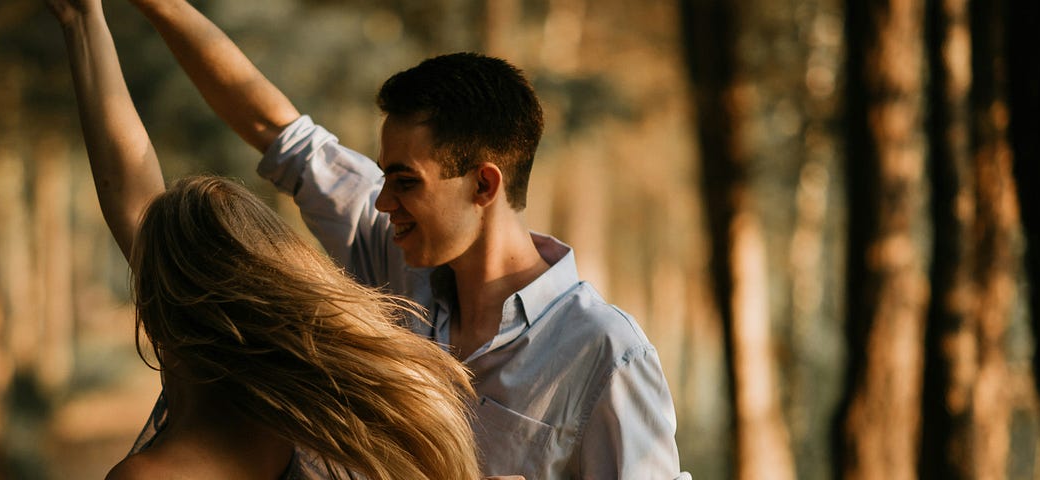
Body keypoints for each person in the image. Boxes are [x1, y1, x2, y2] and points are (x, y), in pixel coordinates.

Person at [120, 0, 690, 478]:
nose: (381, 201)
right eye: (383, 175)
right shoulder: (391, 259)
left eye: (405, 182)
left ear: (484, 184)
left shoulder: (607, 353)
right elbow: (278, 131)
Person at [45, 0, 486, 479]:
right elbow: (134, 192)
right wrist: (82, 19)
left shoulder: (154, 472)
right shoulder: (320, 421)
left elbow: (131, 198)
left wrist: (82, 21)